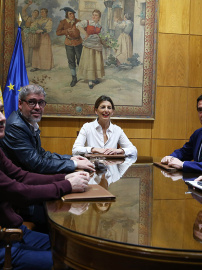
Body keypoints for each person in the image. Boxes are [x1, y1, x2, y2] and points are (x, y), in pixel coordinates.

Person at [0, 100, 90, 270]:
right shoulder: (17, 127)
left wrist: (64, 176)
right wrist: (67, 185)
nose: (2, 118)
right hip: (4, 242)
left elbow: (22, 176)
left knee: (79, 251)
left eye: (2, 110)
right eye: (32, 102)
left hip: (14, 229)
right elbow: (19, 191)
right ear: (20, 104)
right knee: (72, 264)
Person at [0, 84, 95, 174]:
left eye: (41, 102)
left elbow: (41, 154)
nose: (37, 107)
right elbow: (36, 164)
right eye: (32, 102)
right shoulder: (15, 126)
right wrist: (74, 164)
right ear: (20, 104)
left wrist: (70, 159)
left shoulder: (27, 122)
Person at [72, 95, 137, 156]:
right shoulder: (87, 127)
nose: (106, 110)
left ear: (112, 112)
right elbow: (75, 150)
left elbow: (133, 150)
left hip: (112, 166)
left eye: (109, 108)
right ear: (96, 111)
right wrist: (93, 149)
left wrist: (120, 150)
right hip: (92, 166)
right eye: (103, 107)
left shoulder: (117, 130)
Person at [76, 9, 105, 89]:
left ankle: (94, 78)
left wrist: (106, 43)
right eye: (93, 15)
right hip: (88, 46)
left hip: (97, 46)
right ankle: (90, 81)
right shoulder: (87, 22)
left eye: (96, 15)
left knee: (95, 63)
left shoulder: (100, 26)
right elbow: (78, 25)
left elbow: (102, 37)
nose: (94, 17)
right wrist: (85, 33)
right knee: (90, 63)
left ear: (99, 17)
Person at [56, 7, 83, 87]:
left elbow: (85, 29)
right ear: (67, 15)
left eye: (73, 13)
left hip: (78, 42)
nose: (72, 15)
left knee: (80, 60)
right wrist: (66, 31)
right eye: (70, 14)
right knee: (71, 61)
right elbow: (58, 32)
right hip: (69, 43)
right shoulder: (63, 22)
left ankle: (85, 76)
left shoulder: (78, 21)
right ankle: (74, 78)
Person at [21, 0, 39, 66]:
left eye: (37, 13)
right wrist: (28, 4)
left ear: (37, 15)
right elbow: (23, 10)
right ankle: (25, 63)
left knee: (32, 49)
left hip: (33, 36)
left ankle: (31, 63)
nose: (35, 14)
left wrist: (49, 19)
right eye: (34, 12)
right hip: (26, 35)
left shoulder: (37, 21)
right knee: (26, 48)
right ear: (32, 13)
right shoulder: (27, 18)